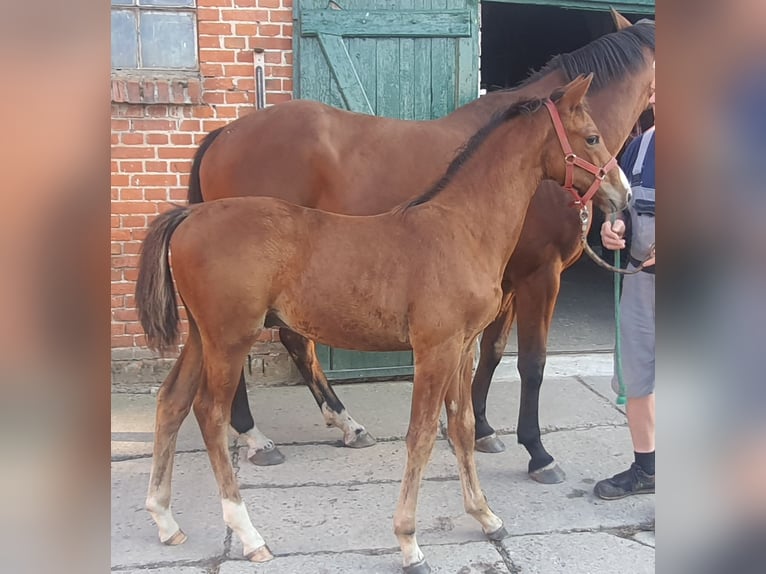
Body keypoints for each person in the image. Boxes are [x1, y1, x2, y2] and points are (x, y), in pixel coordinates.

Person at [594, 80, 655, 500]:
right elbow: (624, 209)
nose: (653, 97)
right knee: (636, 379)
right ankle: (647, 469)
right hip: (640, 286)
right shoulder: (641, 146)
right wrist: (613, 230)